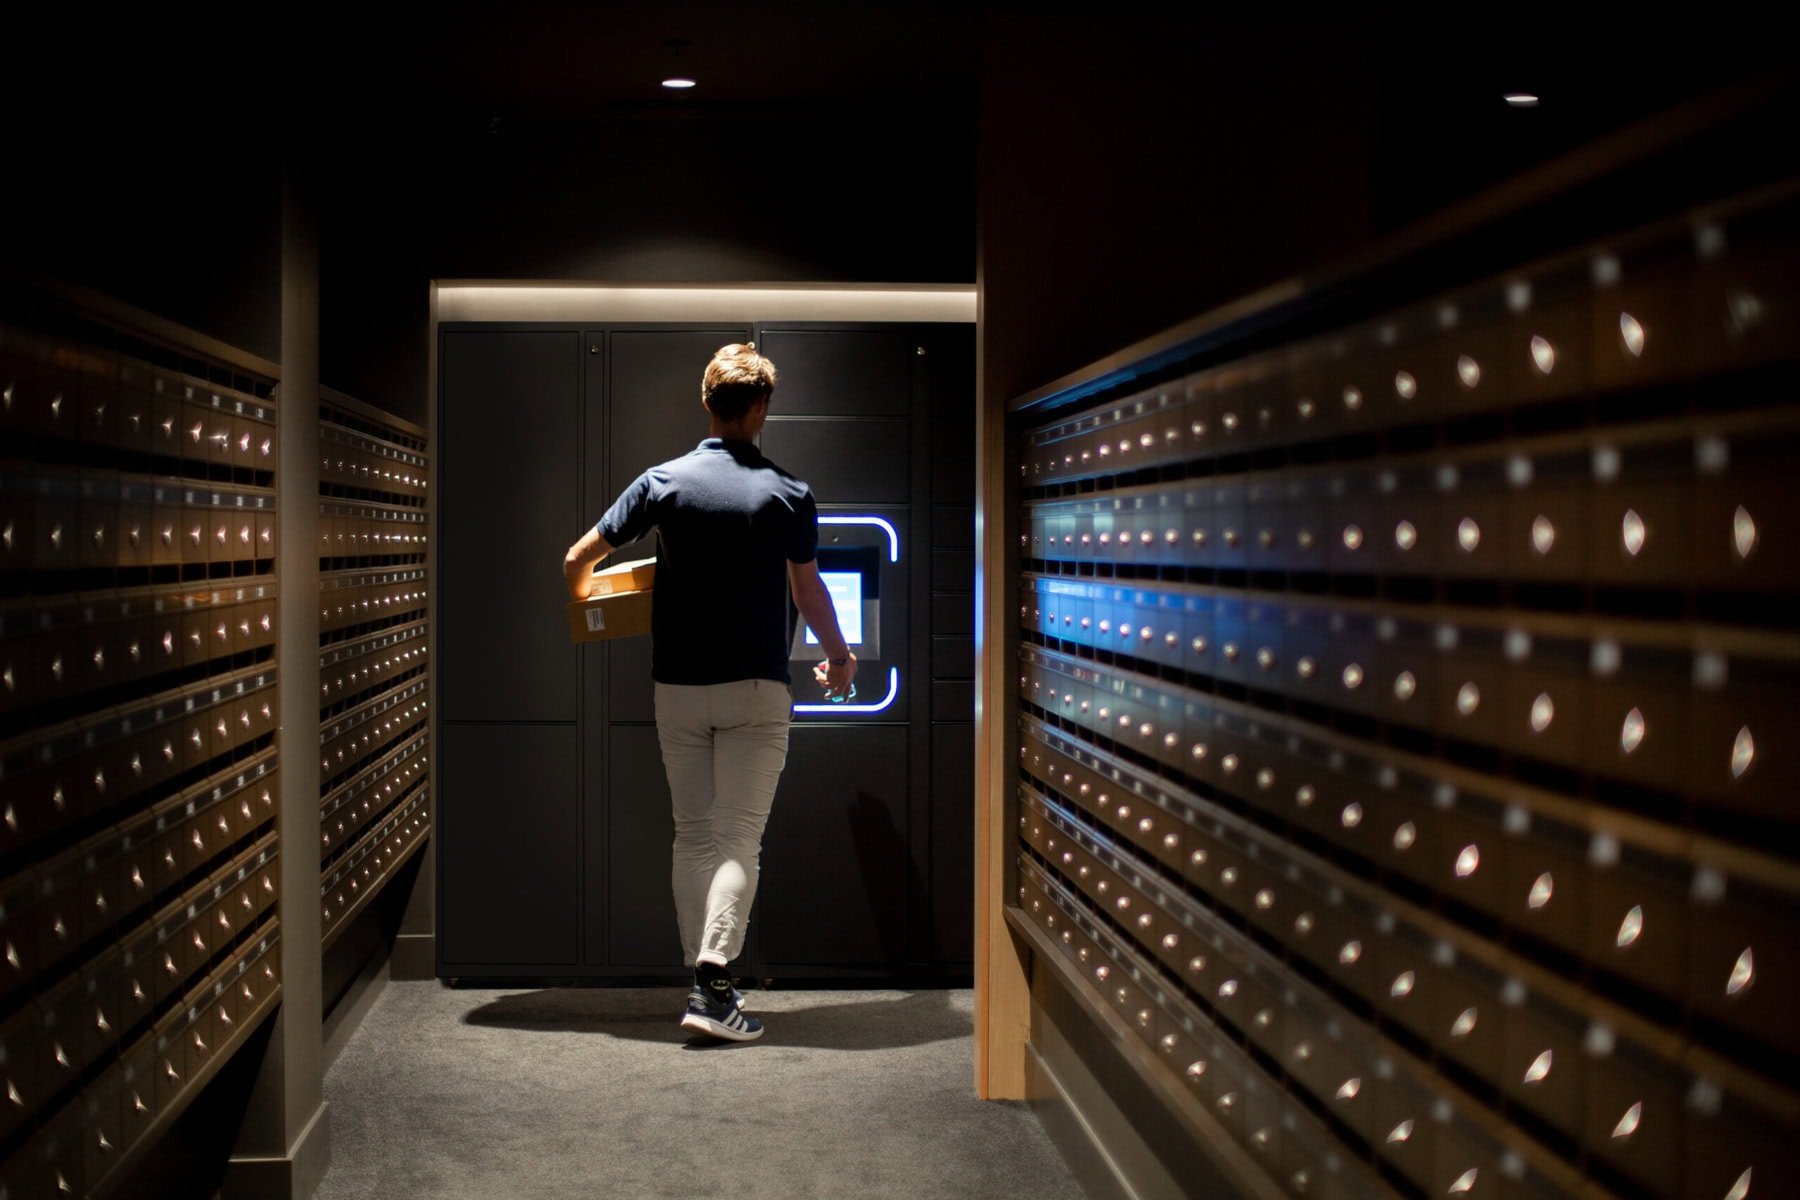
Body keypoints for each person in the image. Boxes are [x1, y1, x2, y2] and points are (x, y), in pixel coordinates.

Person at [562, 343, 856, 1043]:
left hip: (679, 689)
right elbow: (808, 589)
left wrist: (593, 611)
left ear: (706, 403)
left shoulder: (664, 482)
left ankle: (702, 986)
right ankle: (714, 981)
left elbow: (579, 559)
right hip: (756, 688)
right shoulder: (788, 492)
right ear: (761, 408)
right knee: (738, 843)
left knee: (693, 836)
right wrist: (839, 659)